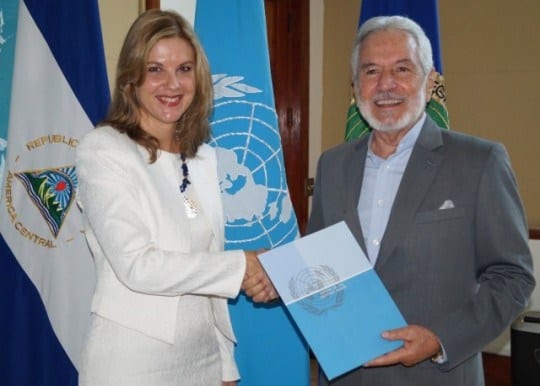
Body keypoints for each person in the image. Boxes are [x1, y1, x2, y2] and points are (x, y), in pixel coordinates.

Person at [307, 15, 535, 386]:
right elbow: (320, 266)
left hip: (437, 375)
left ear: (430, 83)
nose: (385, 85)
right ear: (355, 86)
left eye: (402, 68)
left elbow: (513, 277)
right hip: (345, 376)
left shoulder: (479, 162)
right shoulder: (332, 165)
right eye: (370, 71)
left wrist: (440, 339)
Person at [76, 9, 276, 386]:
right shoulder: (103, 151)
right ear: (130, 78)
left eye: (184, 69)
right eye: (155, 69)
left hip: (201, 362)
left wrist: (224, 365)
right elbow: (138, 266)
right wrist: (242, 267)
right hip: (131, 364)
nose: (172, 84)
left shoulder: (200, 159)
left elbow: (204, 264)